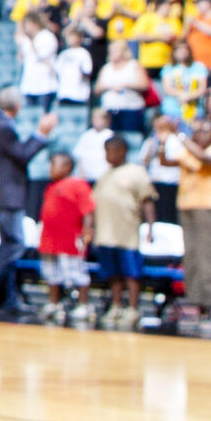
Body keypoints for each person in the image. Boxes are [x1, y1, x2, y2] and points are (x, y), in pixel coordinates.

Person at [0, 91, 56, 318]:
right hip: (8, 194)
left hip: (5, 194)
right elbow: (22, 154)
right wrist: (41, 133)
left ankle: (8, 299)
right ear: (17, 106)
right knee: (15, 245)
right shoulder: (2, 126)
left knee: (8, 246)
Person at [87, 134, 156, 330]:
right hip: (106, 234)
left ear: (121, 151)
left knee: (131, 273)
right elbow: (93, 204)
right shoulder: (105, 175)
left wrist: (151, 226)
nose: (107, 156)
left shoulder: (136, 172)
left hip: (127, 234)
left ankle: (133, 309)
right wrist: (89, 227)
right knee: (112, 274)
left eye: (109, 151)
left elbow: (147, 200)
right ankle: (116, 306)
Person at [172, 127, 211, 331]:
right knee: (192, 260)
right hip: (188, 206)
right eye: (198, 131)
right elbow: (166, 161)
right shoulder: (188, 149)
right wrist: (163, 140)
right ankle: (196, 306)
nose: (201, 134)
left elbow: (206, 159)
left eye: (206, 130)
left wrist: (179, 135)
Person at [34, 153, 94, 327]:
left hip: (69, 239)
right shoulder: (51, 186)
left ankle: (84, 305)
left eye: (54, 165)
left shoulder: (78, 186)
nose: (50, 169)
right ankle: (54, 304)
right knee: (51, 274)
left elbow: (88, 211)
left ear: (67, 167)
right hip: (50, 239)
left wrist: (87, 231)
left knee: (76, 272)